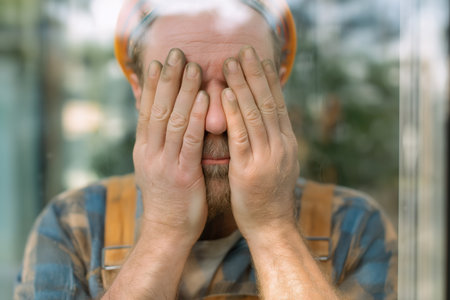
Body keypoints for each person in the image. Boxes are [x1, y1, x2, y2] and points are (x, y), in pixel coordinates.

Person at [14, 0, 397, 299]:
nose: (216, 120)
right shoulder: (74, 226)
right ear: (139, 91)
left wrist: (273, 227)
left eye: (239, 85)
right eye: (185, 87)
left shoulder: (355, 227)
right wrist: (164, 231)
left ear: (277, 88)